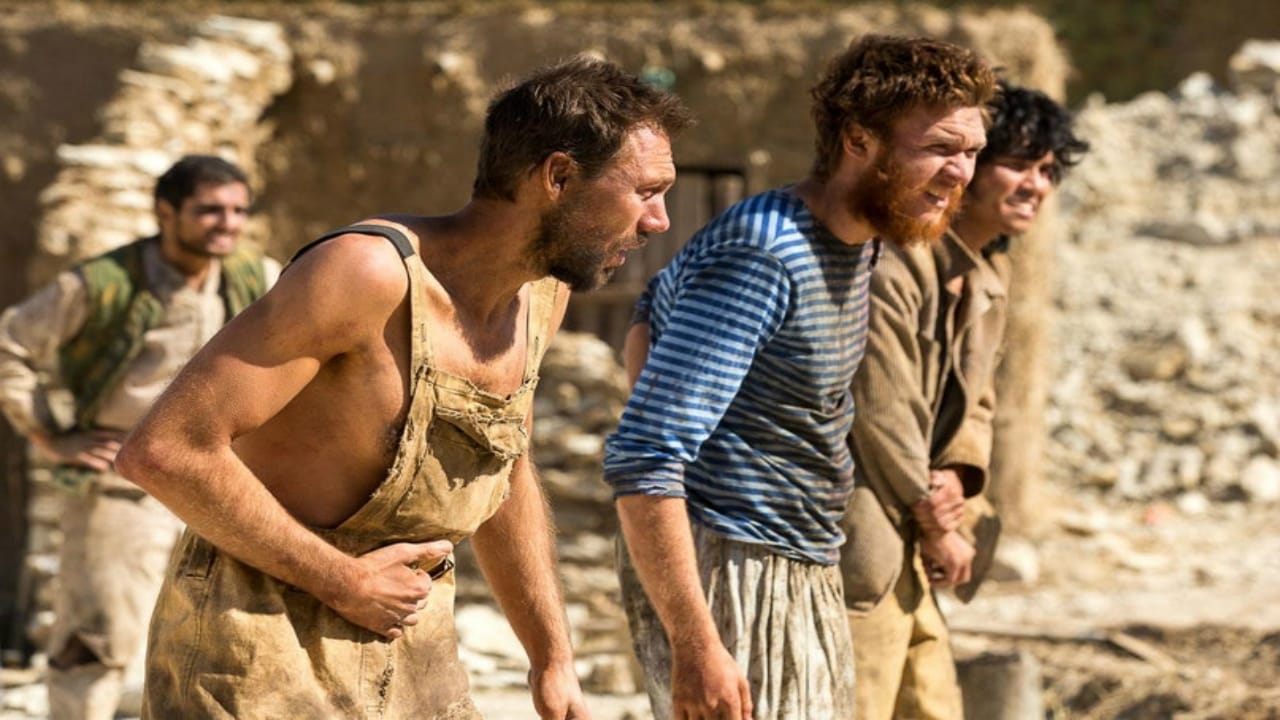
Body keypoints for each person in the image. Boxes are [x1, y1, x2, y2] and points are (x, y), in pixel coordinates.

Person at [114, 55, 692, 720]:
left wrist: (551, 657)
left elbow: (504, 469)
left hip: (411, 645)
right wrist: (344, 580)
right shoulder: (365, 275)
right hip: (254, 644)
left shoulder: (540, 297)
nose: (659, 221)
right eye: (646, 191)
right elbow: (166, 451)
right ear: (557, 176)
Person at [604, 34, 996, 720]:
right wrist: (697, 642)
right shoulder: (766, 252)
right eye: (940, 148)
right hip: (736, 567)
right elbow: (644, 457)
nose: (961, 173)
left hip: (803, 560)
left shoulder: (860, 243)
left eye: (971, 151)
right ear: (858, 142)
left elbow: (652, 309)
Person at [840, 81, 1089, 719]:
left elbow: (979, 403)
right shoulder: (897, 259)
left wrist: (957, 475)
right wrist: (937, 520)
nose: (1036, 185)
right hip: (864, 528)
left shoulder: (988, 275)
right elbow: (882, 405)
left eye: (1048, 170)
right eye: (1019, 164)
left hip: (919, 527)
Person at [0, 155, 277, 720]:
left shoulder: (257, 277)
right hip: (122, 485)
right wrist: (53, 436)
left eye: (238, 210)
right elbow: (10, 347)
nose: (227, 223)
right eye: (210, 210)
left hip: (222, 481)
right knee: (97, 639)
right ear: (165, 212)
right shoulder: (102, 284)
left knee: (222, 641)